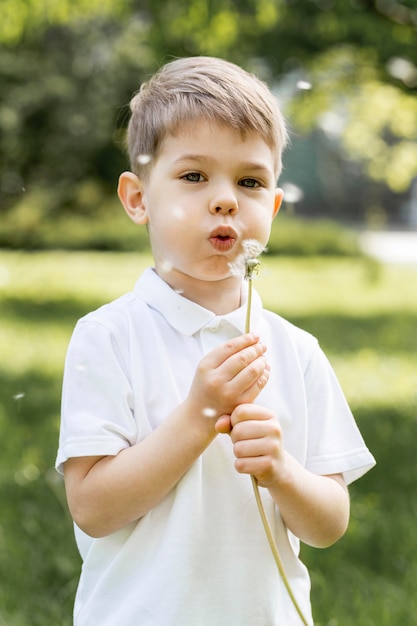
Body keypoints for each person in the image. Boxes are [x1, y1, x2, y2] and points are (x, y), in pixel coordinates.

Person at [56, 56, 375, 626]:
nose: (226, 199)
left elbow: (329, 524)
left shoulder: (295, 351)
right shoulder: (109, 337)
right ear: (138, 198)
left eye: (250, 182)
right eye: (194, 176)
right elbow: (93, 508)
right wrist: (199, 415)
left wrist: (281, 471)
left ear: (272, 208)